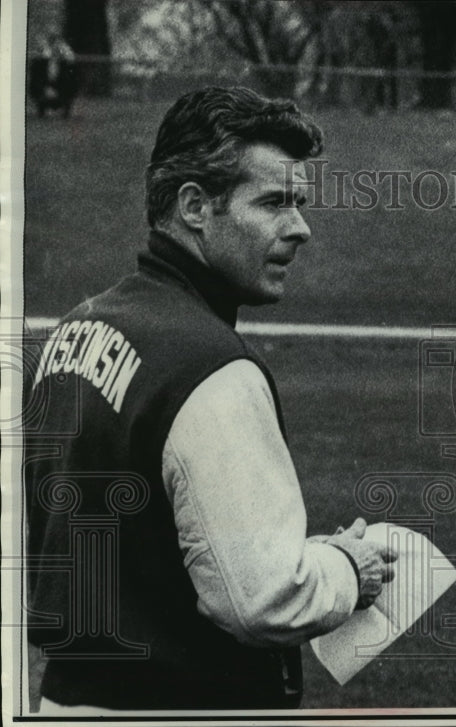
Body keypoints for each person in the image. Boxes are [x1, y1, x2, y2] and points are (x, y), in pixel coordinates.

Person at [24, 86, 397, 711]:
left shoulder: (77, 328)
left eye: (299, 203)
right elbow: (262, 599)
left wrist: (316, 552)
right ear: (195, 206)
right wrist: (350, 571)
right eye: (274, 203)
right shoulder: (210, 367)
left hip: (68, 698)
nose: (300, 228)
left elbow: (148, 546)